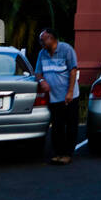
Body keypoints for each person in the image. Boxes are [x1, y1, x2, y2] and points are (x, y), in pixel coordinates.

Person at [35, 28, 79, 164]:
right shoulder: (42, 54)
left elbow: (73, 71)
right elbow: (38, 72)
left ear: (52, 38)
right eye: (41, 40)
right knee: (57, 126)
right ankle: (58, 153)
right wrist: (42, 81)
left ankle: (68, 154)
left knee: (70, 126)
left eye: (44, 39)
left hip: (69, 96)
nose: (41, 42)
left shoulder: (66, 49)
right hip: (53, 98)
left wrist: (70, 91)